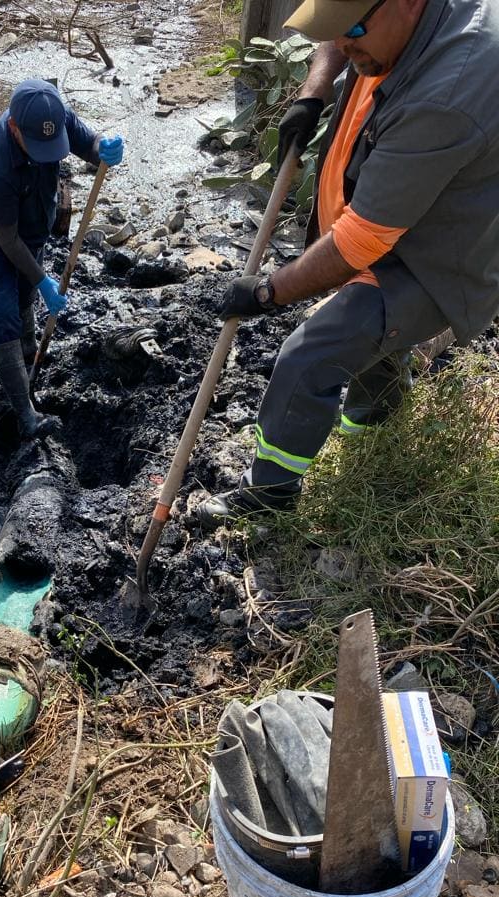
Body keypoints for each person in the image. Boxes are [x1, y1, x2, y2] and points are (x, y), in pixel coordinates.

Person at [198, 0, 499, 525]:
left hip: (442, 248)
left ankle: (269, 496)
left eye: (353, 31)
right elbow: (341, 29)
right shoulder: (386, 28)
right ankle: (374, 421)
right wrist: (315, 91)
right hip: (402, 204)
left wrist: (268, 291)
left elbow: (359, 244)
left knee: (310, 353)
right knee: (368, 332)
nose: (343, 43)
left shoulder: (446, 95)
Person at [0, 79, 123, 439]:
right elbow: (6, 238)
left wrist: (104, 147)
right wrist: (43, 279)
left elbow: (90, 144)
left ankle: (27, 352)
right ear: (13, 127)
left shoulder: (53, 114)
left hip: (35, 224)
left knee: (24, 298)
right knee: (3, 312)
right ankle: (24, 414)